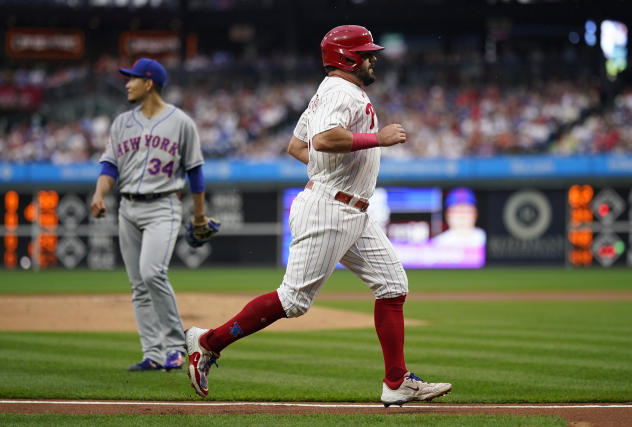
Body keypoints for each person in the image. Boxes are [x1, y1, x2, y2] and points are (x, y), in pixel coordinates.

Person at [184, 25, 451, 406]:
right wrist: (376, 139)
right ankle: (207, 342)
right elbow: (324, 139)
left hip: (350, 207)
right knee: (293, 300)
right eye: (366, 52)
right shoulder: (341, 91)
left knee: (392, 285)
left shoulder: (330, 92)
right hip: (330, 207)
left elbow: (297, 145)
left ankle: (397, 382)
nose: (372, 58)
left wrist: (328, 170)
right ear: (347, 58)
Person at [90, 58, 216, 371]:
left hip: (164, 205)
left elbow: (195, 173)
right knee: (138, 284)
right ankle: (154, 354)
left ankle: (176, 346)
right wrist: (98, 193)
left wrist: (199, 217)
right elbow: (109, 166)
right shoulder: (121, 123)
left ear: (148, 84)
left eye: (132, 79)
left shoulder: (181, 122)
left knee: (151, 272)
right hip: (127, 206)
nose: (126, 84)